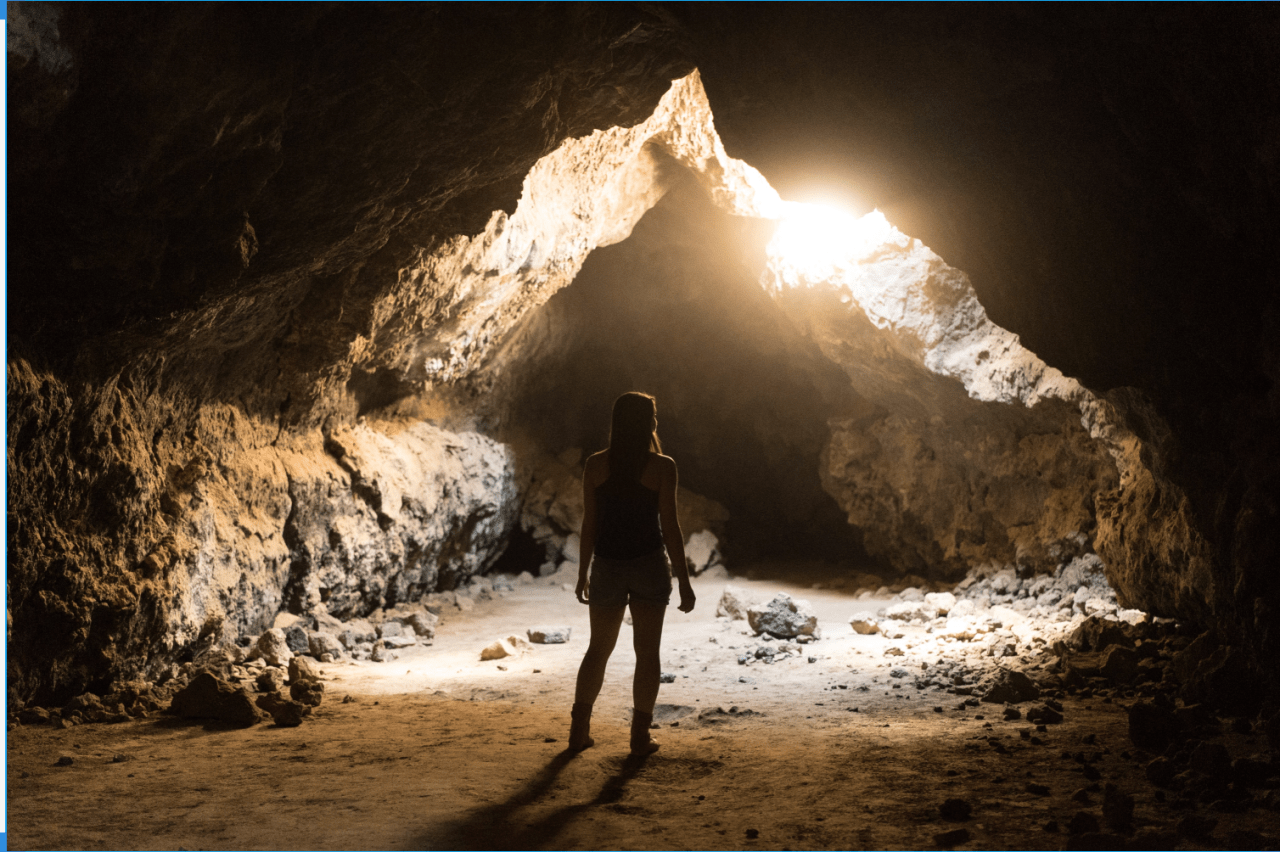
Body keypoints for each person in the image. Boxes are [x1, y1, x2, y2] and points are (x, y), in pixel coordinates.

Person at [569, 391, 696, 756]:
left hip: (607, 566)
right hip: (648, 566)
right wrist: (684, 583)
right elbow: (670, 528)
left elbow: (590, 523)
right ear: (647, 422)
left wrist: (583, 572)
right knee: (647, 653)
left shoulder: (595, 465)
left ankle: (578, 732)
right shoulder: (663, 466)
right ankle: (639, 737)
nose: (657, 420)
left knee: (598, 650)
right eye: (654, 414)